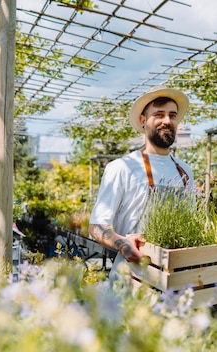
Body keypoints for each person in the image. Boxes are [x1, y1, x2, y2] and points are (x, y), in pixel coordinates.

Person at [88, 86, 194, 273]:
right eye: (159, 115)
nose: (167, 121)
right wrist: (122, 244)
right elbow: (96, 226)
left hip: (174, 280)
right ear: (143, 121)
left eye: (173, 115)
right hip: (132, 280)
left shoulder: (184, 171)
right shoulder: (122, 167)